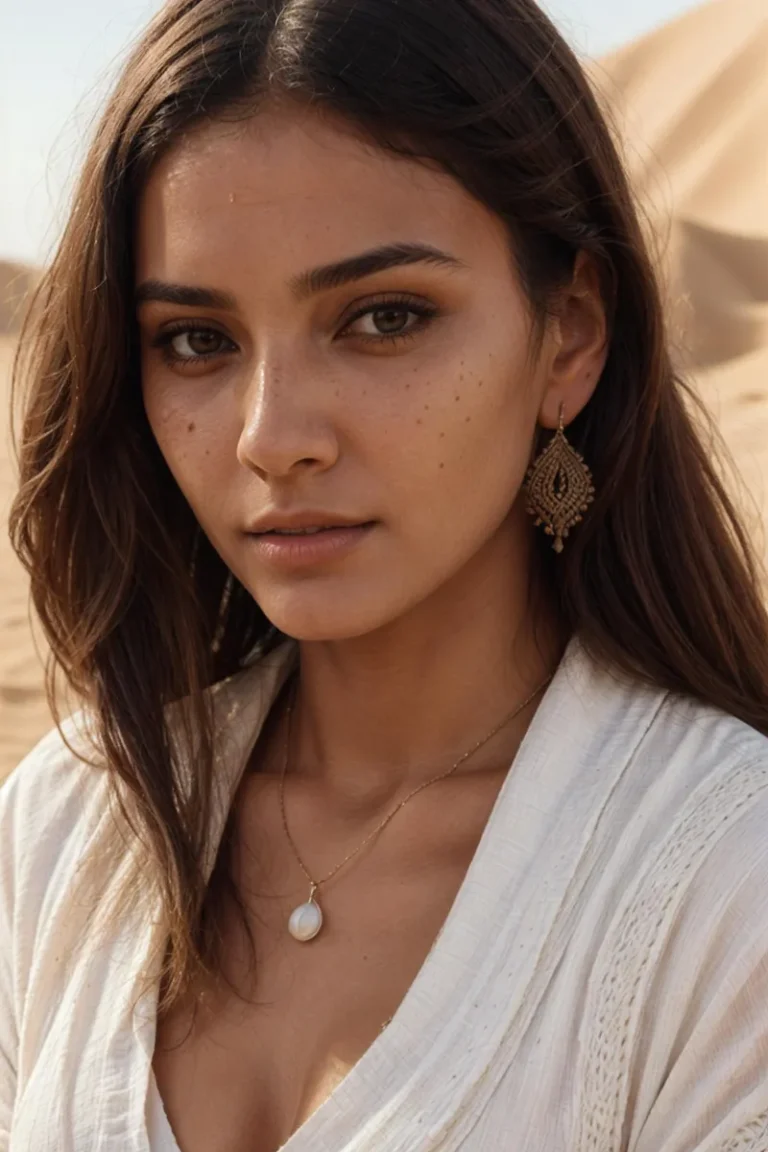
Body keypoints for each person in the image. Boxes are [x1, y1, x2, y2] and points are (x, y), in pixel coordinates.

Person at [3, 0, 768, 1148]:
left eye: (384, 317)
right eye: (197, 341)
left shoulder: (722, 884)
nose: (273, 435)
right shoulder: (71, 826)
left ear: (566, 339)